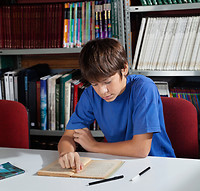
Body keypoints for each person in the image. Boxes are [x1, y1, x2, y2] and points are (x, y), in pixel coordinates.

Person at [58, 38, 175, 172]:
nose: (102, 91)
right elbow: (68, 136)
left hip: (156, 165)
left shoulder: (143, 88)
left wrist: (93, 146)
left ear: (124, 68)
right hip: (119, 164)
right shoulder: (91, 95)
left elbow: (141, 149)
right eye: (95, 84)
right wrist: (66, 153)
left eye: (107, 82)